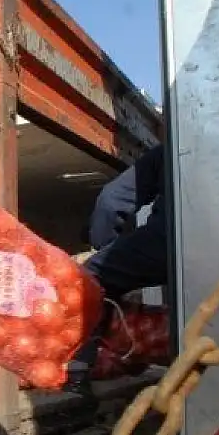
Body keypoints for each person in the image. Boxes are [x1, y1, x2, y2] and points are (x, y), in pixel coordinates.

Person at [65, 143, 167, 394]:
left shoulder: (170, 150)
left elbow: (111, 202)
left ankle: (77, 371)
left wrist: (104, 249)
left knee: (91, 277)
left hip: (169, 239)